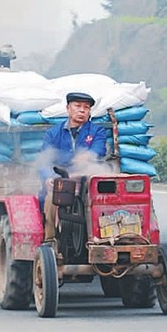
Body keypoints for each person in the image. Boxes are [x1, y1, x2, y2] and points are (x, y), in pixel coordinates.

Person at [39, 91, 108, 240]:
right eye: (77, 106)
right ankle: (50, 240)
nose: (82, 110)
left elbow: (99, 149)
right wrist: (48, 178)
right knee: (52, 198)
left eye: (86, 107)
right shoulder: (53, 133)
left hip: (87, 180)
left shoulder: (97, 131)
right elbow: (44, 160)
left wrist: (88, 156)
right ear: (68, 108)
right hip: (61, 181)